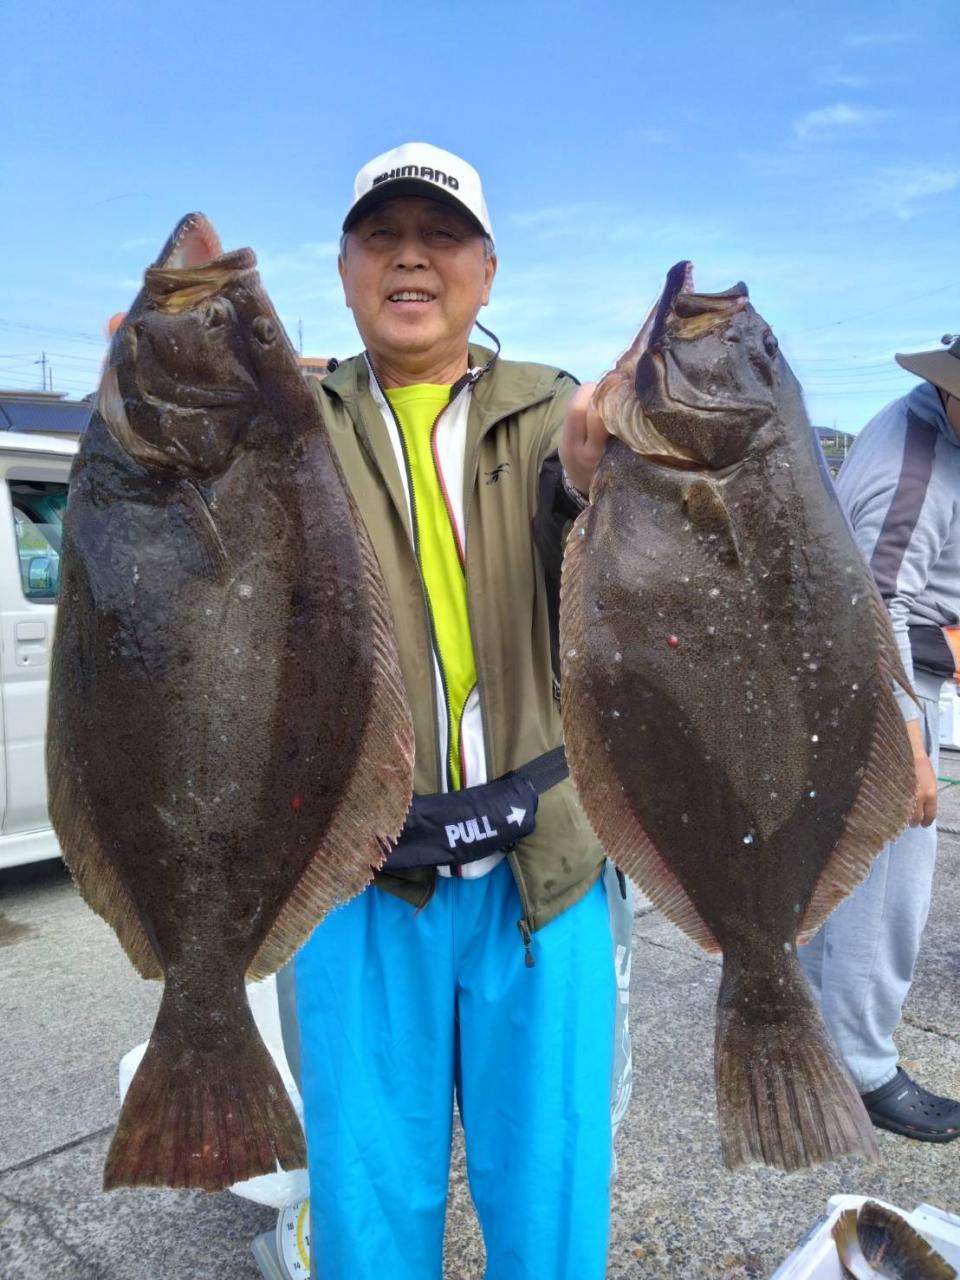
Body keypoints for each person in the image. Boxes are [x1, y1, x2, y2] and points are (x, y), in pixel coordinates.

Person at [282, 142, 621, 1280]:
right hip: (357, 871)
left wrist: (590, 485)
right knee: (366, 1200)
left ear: (487, 269)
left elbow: (604, 572)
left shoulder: (559, 409)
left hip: (545, 868)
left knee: (552, 1193)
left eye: (441, 236)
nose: (412, 258)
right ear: (344, 270)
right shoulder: (290, 424)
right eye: (382, 236)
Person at [799, 333, 960, 1142]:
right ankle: (862, 1068)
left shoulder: (936, 426)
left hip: (863, 677)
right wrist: (909, 744)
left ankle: (816, 1044)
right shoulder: (916, 460)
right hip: (882, 684)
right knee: (885, 887)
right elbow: (875, 605)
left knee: (839, 875)